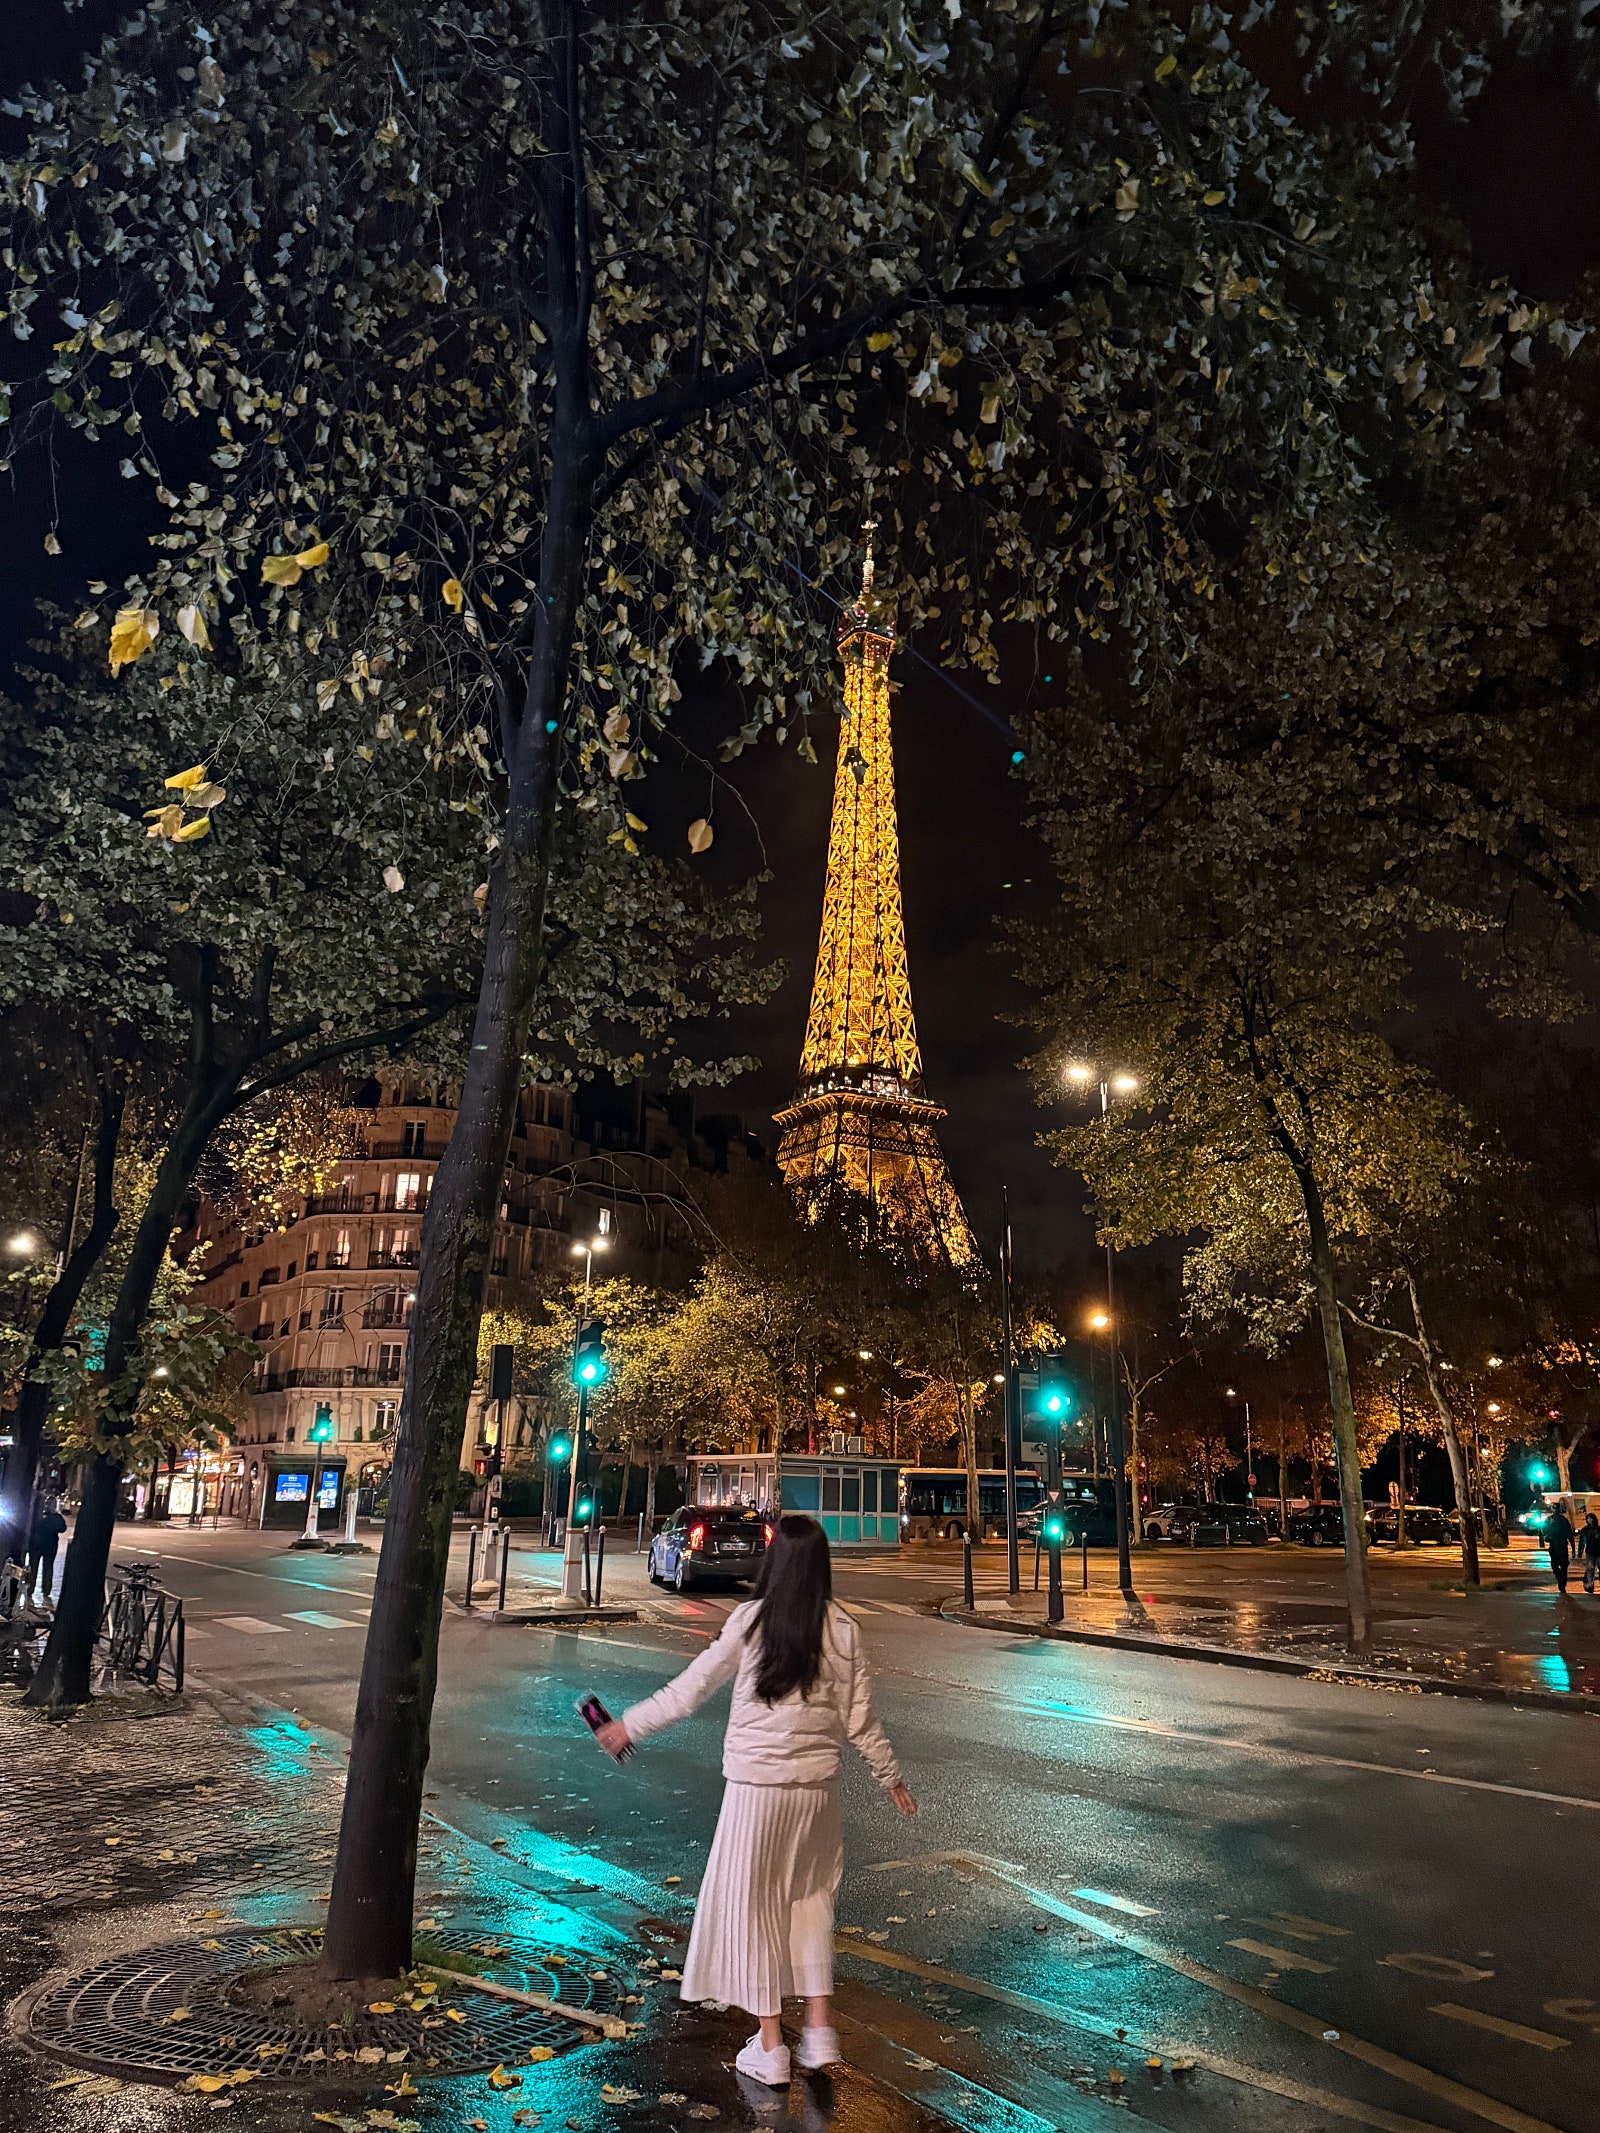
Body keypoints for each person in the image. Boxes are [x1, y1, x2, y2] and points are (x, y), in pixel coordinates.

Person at [593, 1514, 916, 2088]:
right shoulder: (844, 1629)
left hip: (755, 1792)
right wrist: (891, 1778)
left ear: (775, 1564)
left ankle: (771, 2047)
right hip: (816, 1794)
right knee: (811, 1901)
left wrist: (627, 1727)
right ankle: (819, 2031)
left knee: (754, 1910)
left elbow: (690, 1690)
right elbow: (861, 1719)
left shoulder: (750, 1622)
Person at [25, 1495, 67, 1606]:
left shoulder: (39, 1516)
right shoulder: (54, 1517)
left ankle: (32, 1589)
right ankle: (42, 1590)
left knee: (36, 1567)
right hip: (47, 1546)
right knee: (45, 1568)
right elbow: (62, 1528)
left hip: (39, 1545)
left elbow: (62, 1528)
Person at [1545, 1502, 1575, 1595]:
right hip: (1553, 1546)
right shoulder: (1549, 1519)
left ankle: (1562, 1584)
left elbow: (1569, 1534)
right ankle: (1560, 1579)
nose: (1555, 1511)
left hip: (1562, 1546)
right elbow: (1543, 1530)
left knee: (1564, 1566)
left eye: (1557, 1509)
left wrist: (1573, 1549)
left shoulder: (1564, 1520)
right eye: (1554, 1508)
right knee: (1554, 1565)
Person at [1580, 1512, 1600, 1595]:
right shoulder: (1585, 1530)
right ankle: (1590, 1585)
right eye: (1588, 1518)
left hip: (1599, 1551)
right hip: (1590, 1552)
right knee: (1590, 1568)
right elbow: (1582, 1542)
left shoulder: (1598, 1529)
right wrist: (1580, 1551)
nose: (1589, 1520)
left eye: (1591, 1518)